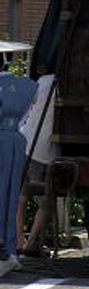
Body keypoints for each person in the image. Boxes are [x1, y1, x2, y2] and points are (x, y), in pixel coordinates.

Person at [16, 73, 58, 256]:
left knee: (21, 195)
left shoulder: (44, 81)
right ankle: (32, 242)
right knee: (46, 199)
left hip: (28, 141)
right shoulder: (68, 86)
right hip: (49, 150)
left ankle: (19, 240)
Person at [0, 72, 37, 277]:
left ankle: (3, 250)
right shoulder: (27, 86)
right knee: (11, 195)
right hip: (17, 139)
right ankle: (10, 248)